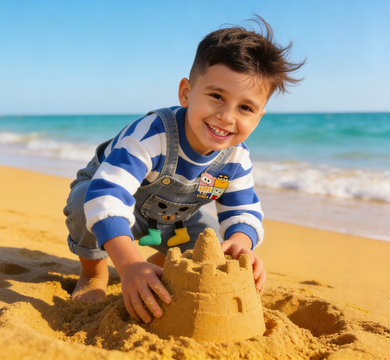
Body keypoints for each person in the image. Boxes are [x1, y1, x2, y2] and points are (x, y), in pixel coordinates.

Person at [63, 17, 304, 324]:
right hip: (120, 208)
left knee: (208, 236)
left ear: (258, 118)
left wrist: (241, 243)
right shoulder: (153, 134)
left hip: (173, 221)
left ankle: (161, 268)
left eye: (245, 108)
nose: (226, 116)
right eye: (217, 96)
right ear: (186, 93)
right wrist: (128, 266)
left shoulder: (237, 158)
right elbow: (107, 197)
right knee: (86, 199)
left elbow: (243, 210)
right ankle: (93, 273)